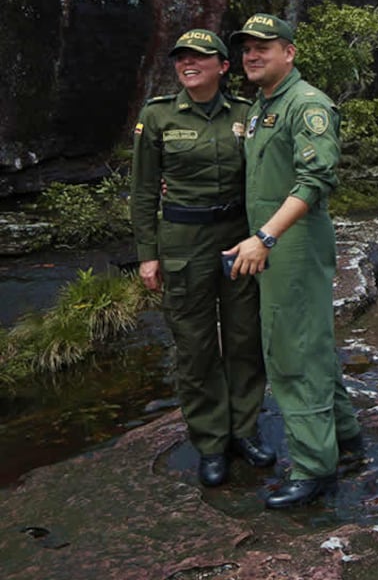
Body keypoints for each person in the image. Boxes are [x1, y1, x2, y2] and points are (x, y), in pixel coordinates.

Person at [225, 13, 362, 509]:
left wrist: (265, 236)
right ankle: (344, 438)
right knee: (309, 343)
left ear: (290, 53)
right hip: (273, 243)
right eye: (246, 48)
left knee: (290, 351)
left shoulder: (307, 104)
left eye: (265, 46)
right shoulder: (263, 107)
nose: (252, 55)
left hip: (292, 244)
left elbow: (315, 180)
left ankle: (314, 469)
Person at [130, 29, 276, 488]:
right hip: (182, 241)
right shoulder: (158, 116)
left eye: (199, 57)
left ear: (223, 66)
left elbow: (265, 176)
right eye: (181, 58)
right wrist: (147, 255)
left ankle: (244, 431)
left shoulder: (246, 115)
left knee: (243, 339)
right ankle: (211, 442)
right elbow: (142, 190)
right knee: (194, 347)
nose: (187, 64)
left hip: (238, 238)